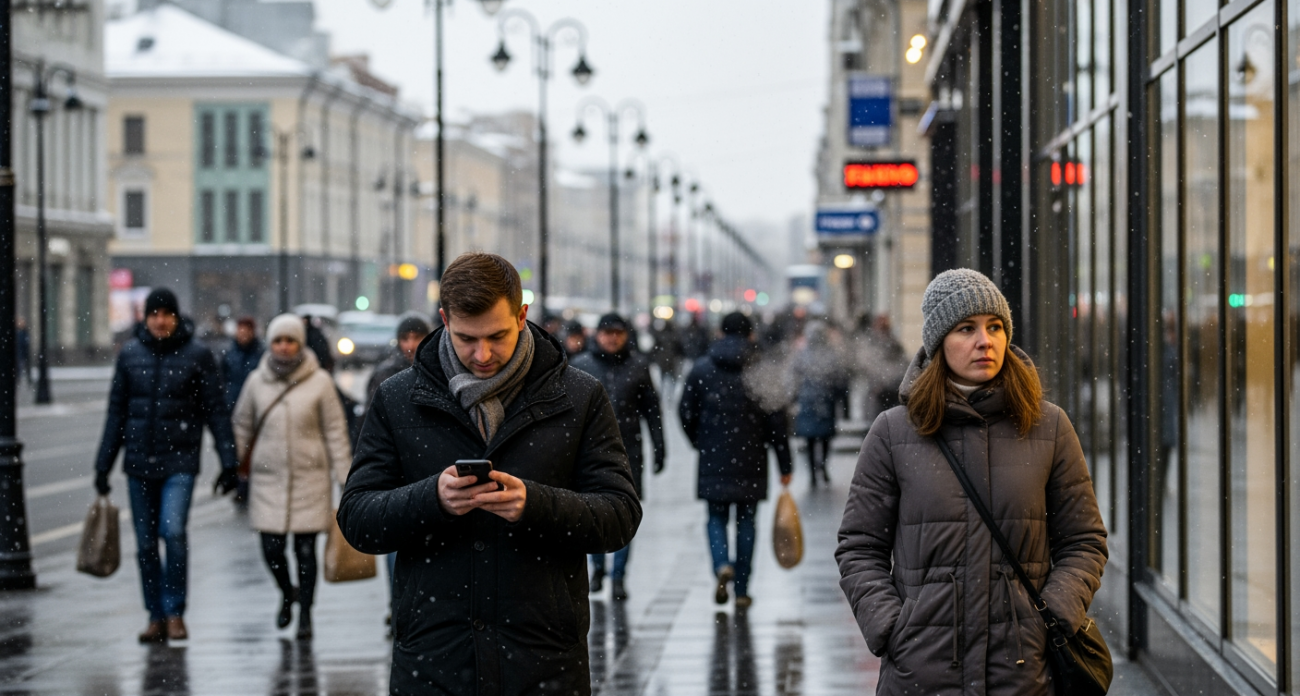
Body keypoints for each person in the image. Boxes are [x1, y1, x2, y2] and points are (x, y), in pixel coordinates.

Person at [337, 251, 641, 695]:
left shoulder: (579, 397)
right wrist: (432, 499)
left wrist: (533, 504)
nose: (482, 354)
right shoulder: (398, 399)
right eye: (466, 338)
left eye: (496, 336)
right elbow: (358, 518)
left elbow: (619, 515)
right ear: (443, 319)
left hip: (543, 659)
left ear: (522, 316)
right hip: (434, 659)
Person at [835, 269, 1107, 695]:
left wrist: (1053, 614)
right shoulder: (893, 432)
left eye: (995, 327)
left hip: (1021, 673)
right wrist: (892, 627)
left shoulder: (1049, 426)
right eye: (967, 328)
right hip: (922, 672)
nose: (986, 341)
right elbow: (859, 547)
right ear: (938, 342)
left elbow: (1084, 540)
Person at [93, 287, 239, 643]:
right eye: (154, 314)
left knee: (172, 533)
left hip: (180, 461)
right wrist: (103, 464)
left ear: (176, 317)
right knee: (145, 544)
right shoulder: (129, 355)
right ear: (145, 318)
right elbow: (117, 413)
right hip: (139, 462)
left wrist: (229, 461)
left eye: (166, 314)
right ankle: (154, 615)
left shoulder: (198, 356)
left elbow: (216, 411)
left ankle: (175, 611)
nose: (160, 321)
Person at [233, 314, 352, 641]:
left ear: (300, 344)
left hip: (310, 479)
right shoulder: (257, 381)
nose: (284, 347)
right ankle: (287, 592)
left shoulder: (321, 382)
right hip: (268, 479)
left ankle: (305, 615)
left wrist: (345, 476)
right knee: (271, 550)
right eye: (278, 341)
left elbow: (335, 431)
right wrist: (233, 465)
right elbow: (242, 424)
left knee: (305, 552)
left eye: (290, 341)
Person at [679, 311, 792, 609]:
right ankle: (742, 589)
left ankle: (720, 564)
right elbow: (777, 420)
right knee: (747, 521)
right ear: (751, 334)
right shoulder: (762, 370)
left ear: (719, 332)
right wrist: (785, 464)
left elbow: (685, 411)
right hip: (752, 457)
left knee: (715, 517)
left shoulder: (701, 368)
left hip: (713, 456)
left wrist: (700, 442)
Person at [570, 312, 666, 601]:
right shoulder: (581, 366)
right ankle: (598, 566)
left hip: (628, 453)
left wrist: (660, 446)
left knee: (624, 514)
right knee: (592, 512)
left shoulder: (638, 366)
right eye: (607, 332)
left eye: (618, 333)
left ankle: (619, 576)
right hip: (588, 453)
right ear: (597, 335)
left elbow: (652, 410)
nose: (612, 338)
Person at [792, 321, 846, 486]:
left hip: (808, 402)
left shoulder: (802, 354)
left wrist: (794, 396)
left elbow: (794, 377)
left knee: (810, 439)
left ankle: (813, 473)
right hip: (825, 403)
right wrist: (839, 398)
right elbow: (839, 380)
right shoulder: (832, 354)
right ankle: (822, 467)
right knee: (825, 438)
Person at [365, 312, 431, 406]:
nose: (411, 346)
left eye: (417, 338)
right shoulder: (385, 374)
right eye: (405, 339)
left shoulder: (437, 371)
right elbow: (373, 412)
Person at [14, 316, 29, 385]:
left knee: (22, 367)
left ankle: (21, 379)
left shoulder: (24, 333)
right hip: (19, 354)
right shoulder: (20, 333)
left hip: (21, 354)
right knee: (19, 368)